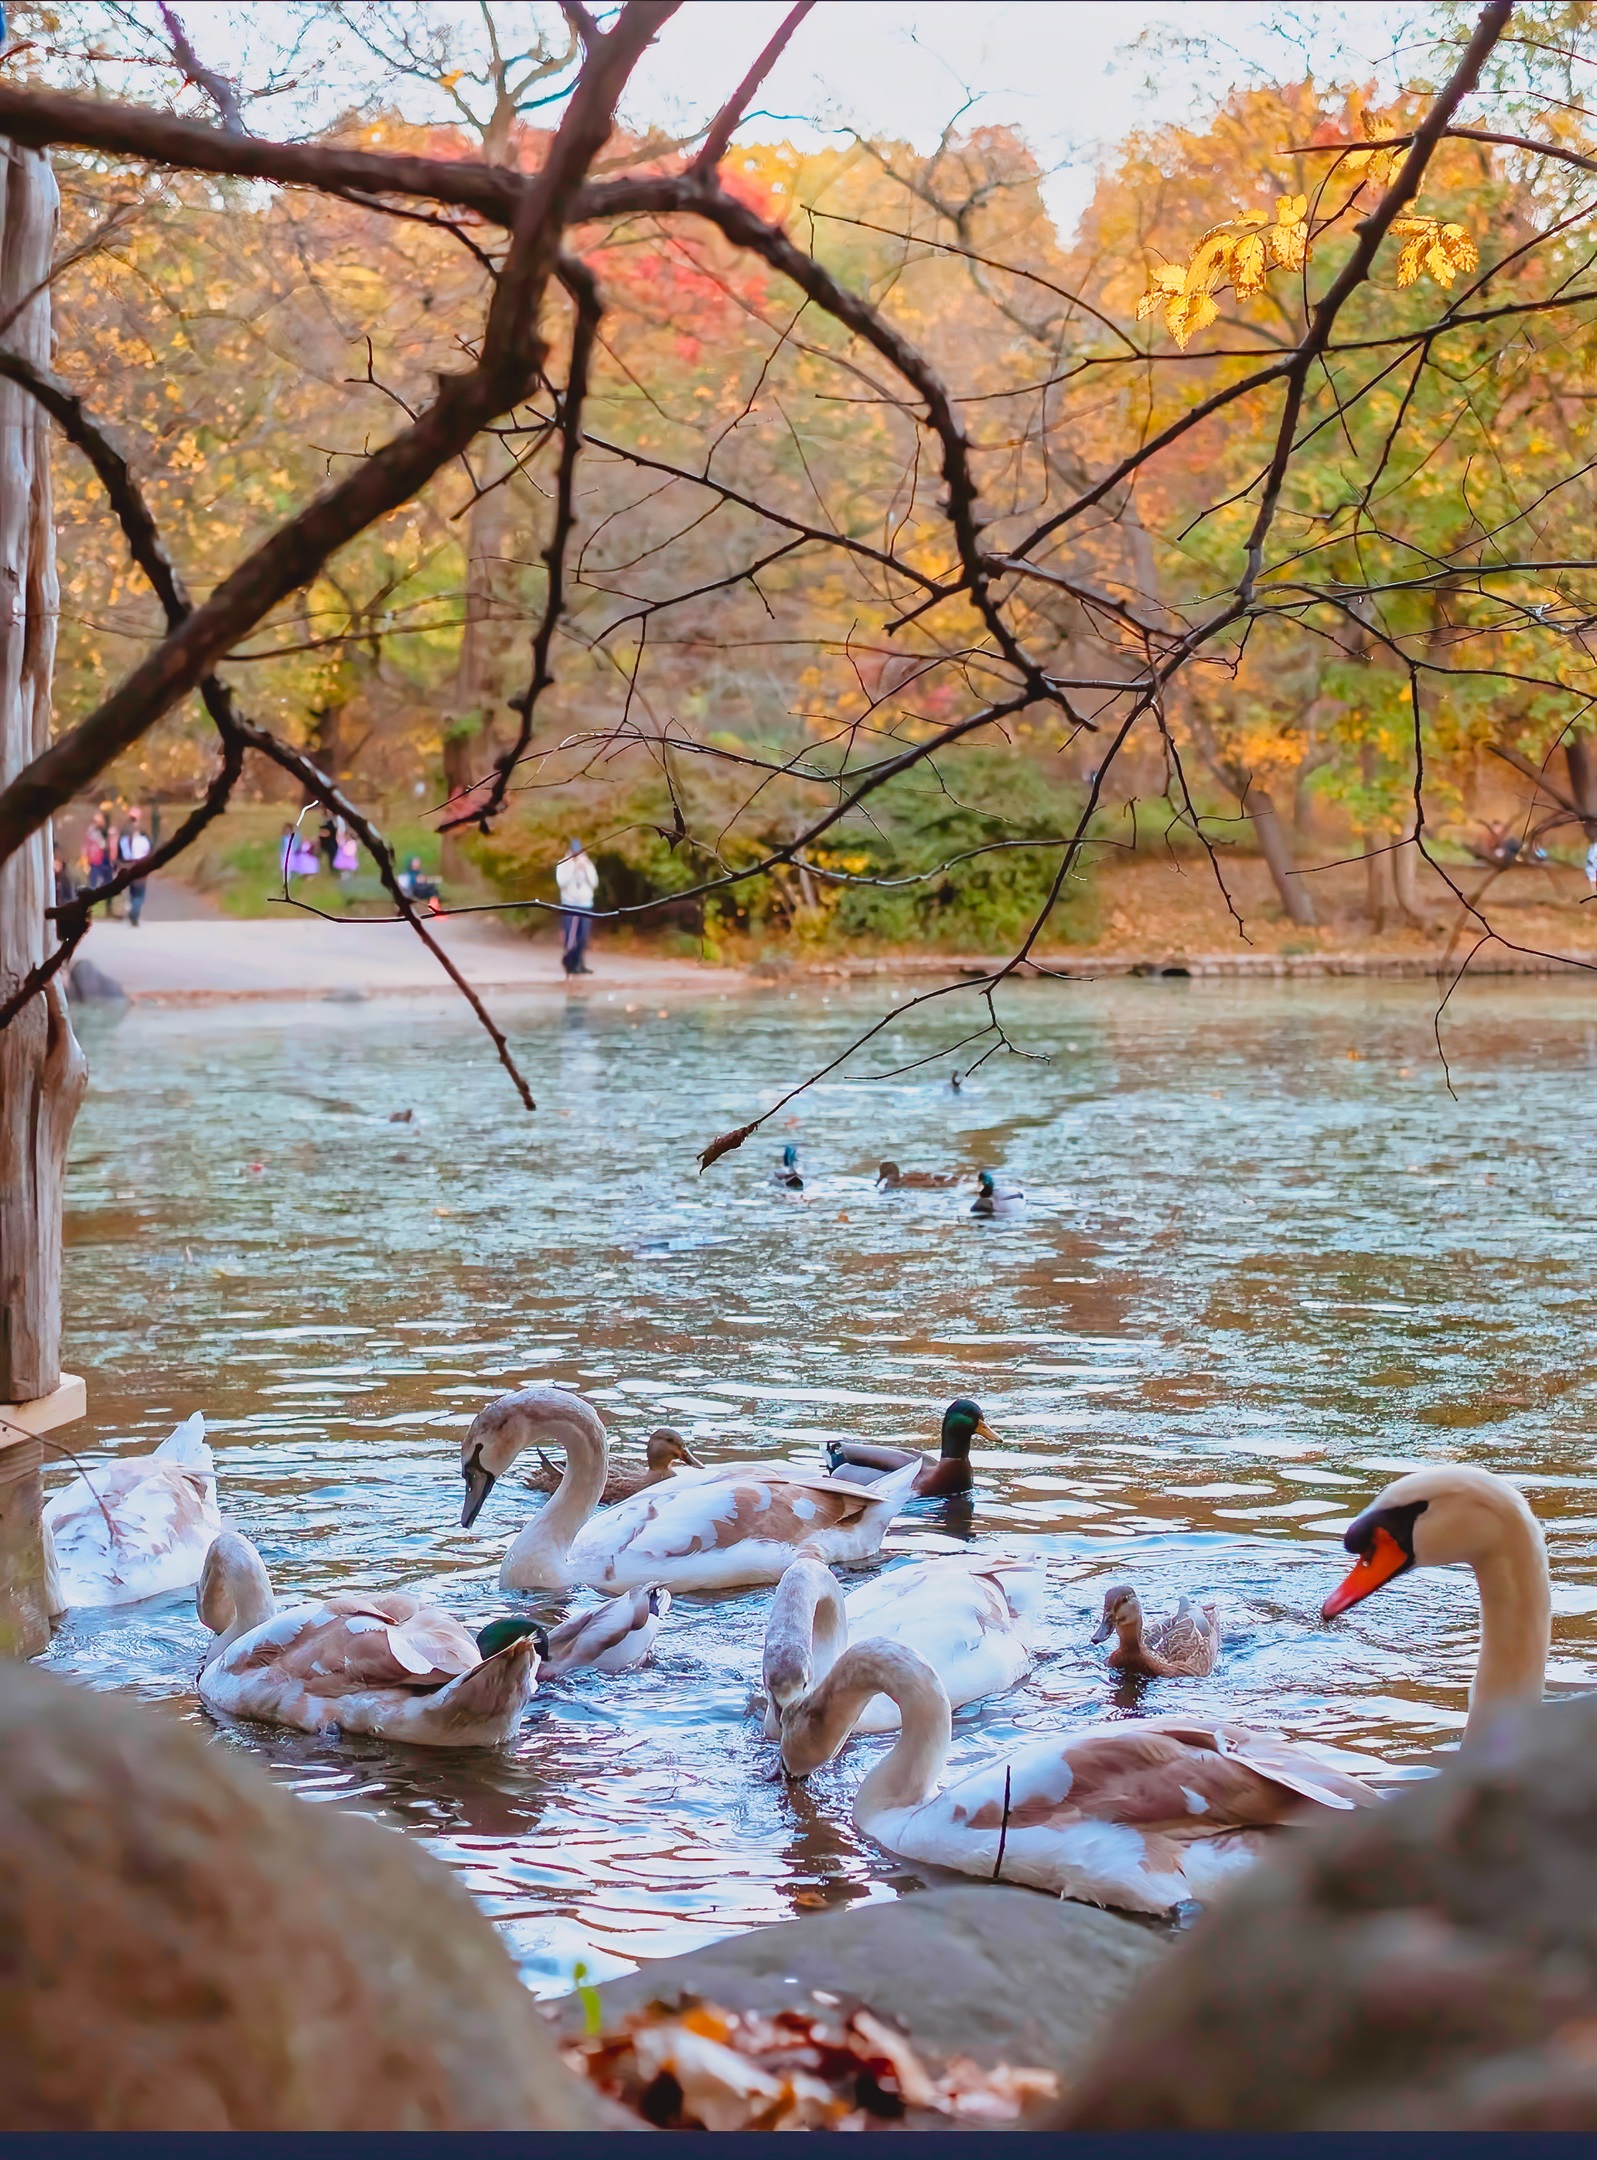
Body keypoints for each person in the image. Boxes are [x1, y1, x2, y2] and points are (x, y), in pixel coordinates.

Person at [556, 838, 598, 977]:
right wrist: (574, 868)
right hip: (571, 904)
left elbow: (594, 882)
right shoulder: (563, 864)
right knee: (571, 937)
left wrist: (585, 867)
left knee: (583, 937)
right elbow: (562, 882)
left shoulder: (588, 864)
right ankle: (570, 964)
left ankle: (580, 963)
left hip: (586, 904)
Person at [118, 806, 153, 926]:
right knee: (139, 892)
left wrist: (120, 862)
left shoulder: (124, 831)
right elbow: (149, 849)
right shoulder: (143, 835)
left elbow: (120, 851)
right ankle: (135, 912)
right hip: (140, 864)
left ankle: (133, 909)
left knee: (133, 890)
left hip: (127, 864)